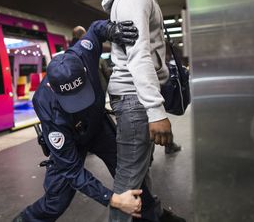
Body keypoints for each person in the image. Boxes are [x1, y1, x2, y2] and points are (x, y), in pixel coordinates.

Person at [12, 19, 159, 222]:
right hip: (70, 137)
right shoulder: (46, 106)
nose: (79, 103)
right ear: (53, 89)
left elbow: (95, 29)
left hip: (97, 126)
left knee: (131, 176)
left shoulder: (82, 53)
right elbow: (71, 169)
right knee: (56, 202)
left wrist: (111, 29)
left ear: (83, 69)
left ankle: (154, 215)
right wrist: (113, 199)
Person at [102, 0, 186, 221]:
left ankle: (152, 214)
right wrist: (156, 111)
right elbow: (139, 55)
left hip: (134, 97)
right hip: (134, 98)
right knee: (128, 180)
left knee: (138, 170)